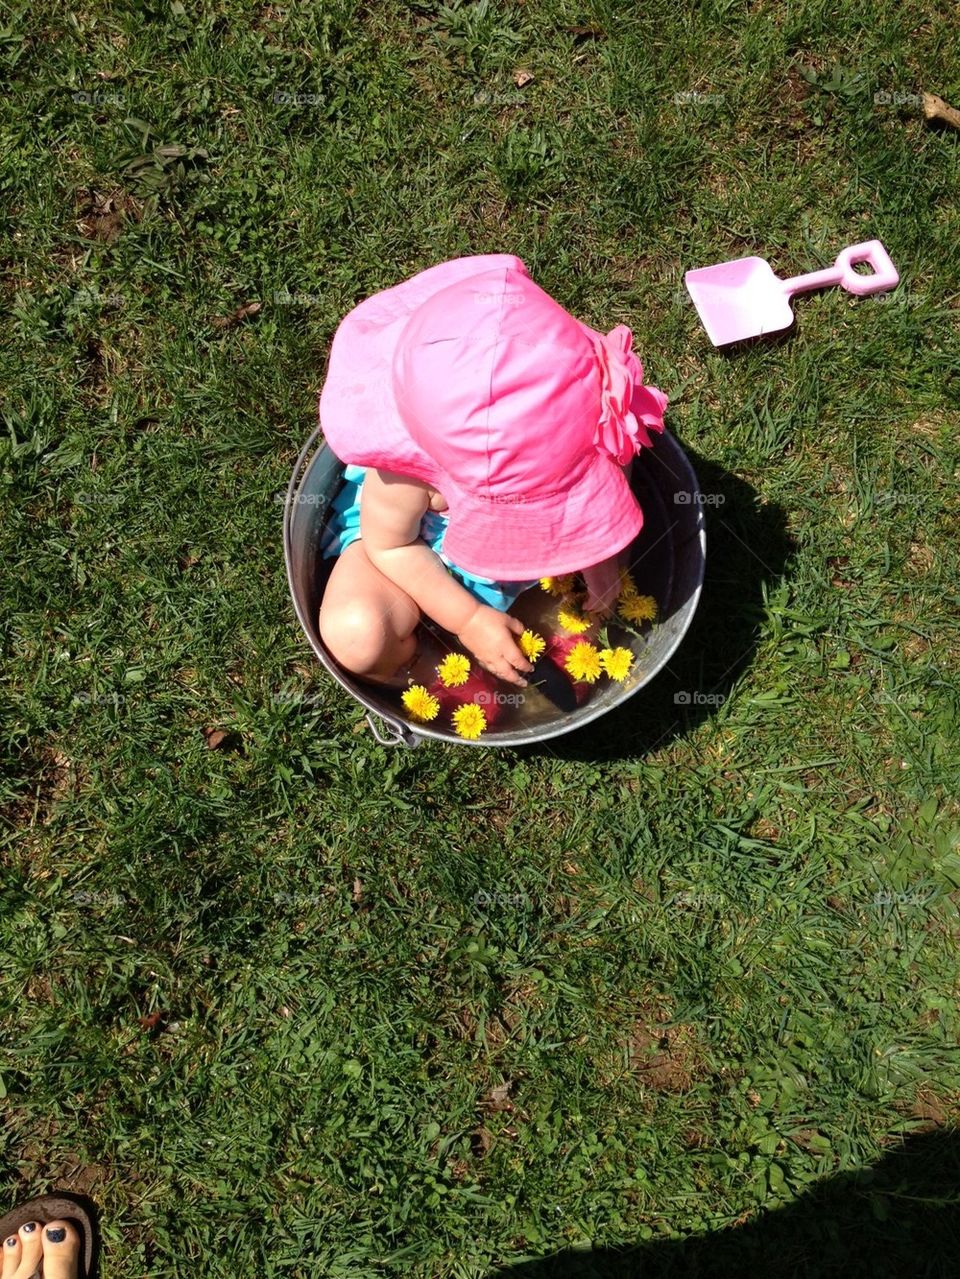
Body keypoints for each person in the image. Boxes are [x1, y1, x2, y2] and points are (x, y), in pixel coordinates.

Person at [317, 254, 668, 689]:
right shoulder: (406, 473)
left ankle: (553, 648)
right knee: (358, 637)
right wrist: (466, 619)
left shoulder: (590, 413)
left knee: (585, 615)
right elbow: (391, 548)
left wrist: (602, 560)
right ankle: (415, 666)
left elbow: (611, 483)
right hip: (414, 551)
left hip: (497, 550)